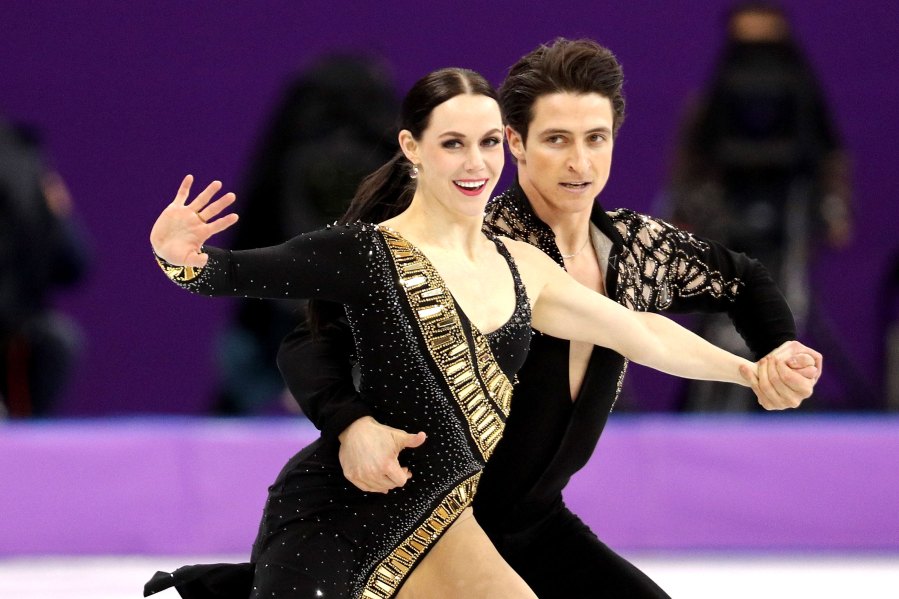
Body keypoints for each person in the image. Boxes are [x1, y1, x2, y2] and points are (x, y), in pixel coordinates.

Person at [144, 67, 786, 599]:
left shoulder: (522, 266)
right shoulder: (368, 253)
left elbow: (641, 333)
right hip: (337, 511)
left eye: (485, 143)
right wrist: (179, 258)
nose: (474, 163)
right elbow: (227, 274)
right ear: (412, 147)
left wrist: (749, 371)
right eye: (452, 144)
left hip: (445, 520)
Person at [668, 2, 847, 410]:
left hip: (790, 218)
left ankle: (781, 401)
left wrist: (833, 208)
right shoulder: (708, 108)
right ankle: (714, 408)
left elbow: (828, 153)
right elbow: (693, 160)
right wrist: (683, 211)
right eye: (745, 46)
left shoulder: (803, 98)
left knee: (786, 309)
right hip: (722, 220)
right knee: (720, 311)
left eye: (766, 45)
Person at [212, 54, 398, 414]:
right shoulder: (394, 167)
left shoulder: (287, 158)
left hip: (283, 330)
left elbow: (247, 243)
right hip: (356, 330)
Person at [0, 119, 89, 417]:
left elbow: (73, 263)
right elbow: (73, 263)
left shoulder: (26, 167)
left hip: (17, 339)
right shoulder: (28, 164)